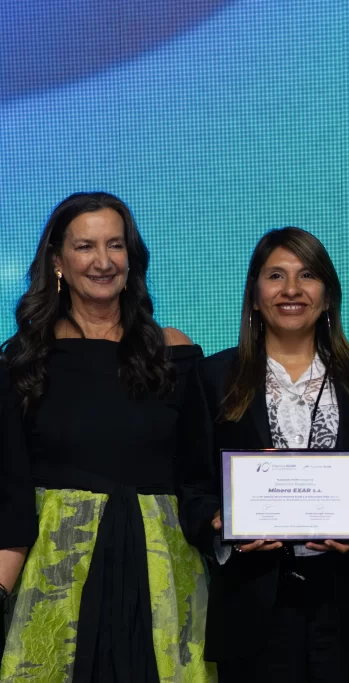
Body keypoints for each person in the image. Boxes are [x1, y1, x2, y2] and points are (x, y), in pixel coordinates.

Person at [0, 192, 218, 682]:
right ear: (57, 261)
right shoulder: (24, 361)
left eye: (115, 245)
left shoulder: (174, 351)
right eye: (85, 246)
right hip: (57, 573)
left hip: (162, 574)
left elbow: (201, 472)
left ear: (131, 257)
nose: (103, 261)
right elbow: (9, 492)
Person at [189, 227, 349, 683]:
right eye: (276, 276)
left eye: (307, 275)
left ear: (327, 297)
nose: (291, 289)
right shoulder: (212, 379)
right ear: (254, 296)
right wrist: (219, 524)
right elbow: (192, 485)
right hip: (251, 607)